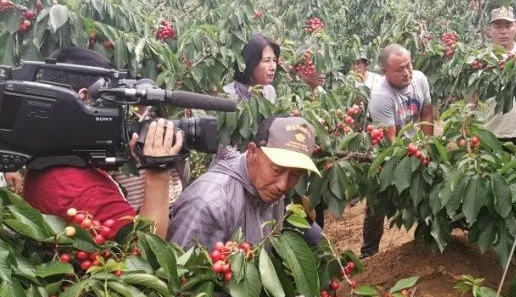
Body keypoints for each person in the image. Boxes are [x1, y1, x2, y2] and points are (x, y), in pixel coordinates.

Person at [22, 48, 183, 239]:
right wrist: (157, 175)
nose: (118, 110)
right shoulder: (82, 193)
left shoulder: (53, 155)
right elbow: (145, 253)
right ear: (85, 98)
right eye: (111, 98)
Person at [168, 115, 324, 249]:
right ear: (252, 152)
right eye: (276, 170)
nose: (283, 185)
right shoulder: (208, 205)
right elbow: (183, 278)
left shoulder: (269, 190)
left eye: (295, 175)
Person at [361, 44, 433, 258]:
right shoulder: (381, 97)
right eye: (399, 69)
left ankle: (425, 240)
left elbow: (427, 114)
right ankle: (369, 253)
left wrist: (427, 145)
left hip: (413, 148)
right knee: (377, 204)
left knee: (424, 189)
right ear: (385, 73)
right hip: (386, 153)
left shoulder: (419, 79)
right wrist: (409, 160)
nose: (406, 72)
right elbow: (390, 139)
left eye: (408, 65)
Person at [472, 6, 516, 145]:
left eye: (508, 25)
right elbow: (472, 97)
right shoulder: (482, 59)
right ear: (490, 30)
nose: (503, 31)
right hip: (489, 132)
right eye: (498, 26)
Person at [223, 33, 279, 103]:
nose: (273, 67)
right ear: (250, 63)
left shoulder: (269, 91)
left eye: (274, 60)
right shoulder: (228, 95)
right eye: (266, 61)